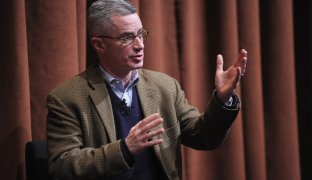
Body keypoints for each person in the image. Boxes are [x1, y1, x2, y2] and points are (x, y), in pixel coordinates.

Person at [46, 0, 248, 179]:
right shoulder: (67, 98)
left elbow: (204, 137)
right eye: (127, 37)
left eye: (140, 34)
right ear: (99, 45)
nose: (140, 45)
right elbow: (62, 167)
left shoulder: (165, 87)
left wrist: (222, 100)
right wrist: (125, 149)